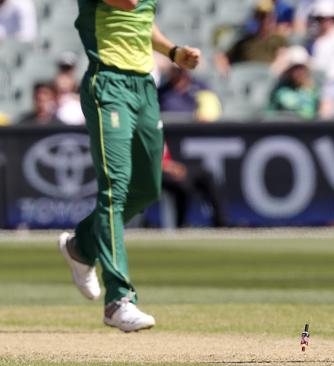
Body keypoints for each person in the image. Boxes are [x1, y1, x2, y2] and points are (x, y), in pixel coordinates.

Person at [57, 0, 201, 333]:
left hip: (143, 86)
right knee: (115, 189)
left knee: (147, 188)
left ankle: (81, 247)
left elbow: (141, 18)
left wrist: (173, 51)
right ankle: (118, 301)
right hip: (107, 83)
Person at [161, 143, 227, 228]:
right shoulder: (144, 133)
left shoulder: (157, 134)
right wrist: (171, 168)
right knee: (183, 186)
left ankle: (221, 223)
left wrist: (174, 167)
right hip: (156, 174)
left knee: (206, 175)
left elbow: (165, 158)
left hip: (169, 167)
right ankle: (180, 224)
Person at [267, 46, 319, 119]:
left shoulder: (314, 89)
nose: (299, 73)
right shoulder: (281, 91)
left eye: (302, 69)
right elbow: (305, 113)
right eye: (295, 69)